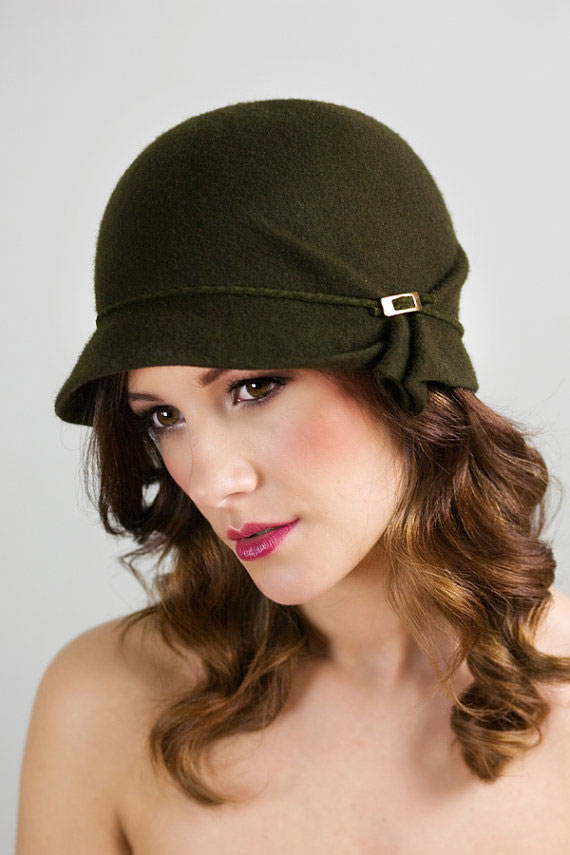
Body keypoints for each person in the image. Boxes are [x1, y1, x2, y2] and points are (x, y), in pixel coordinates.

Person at [16, 98, 570, 853]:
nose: (211, 482)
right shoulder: (103, 705)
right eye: (164, 416)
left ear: (407, 373)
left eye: (254, 387)